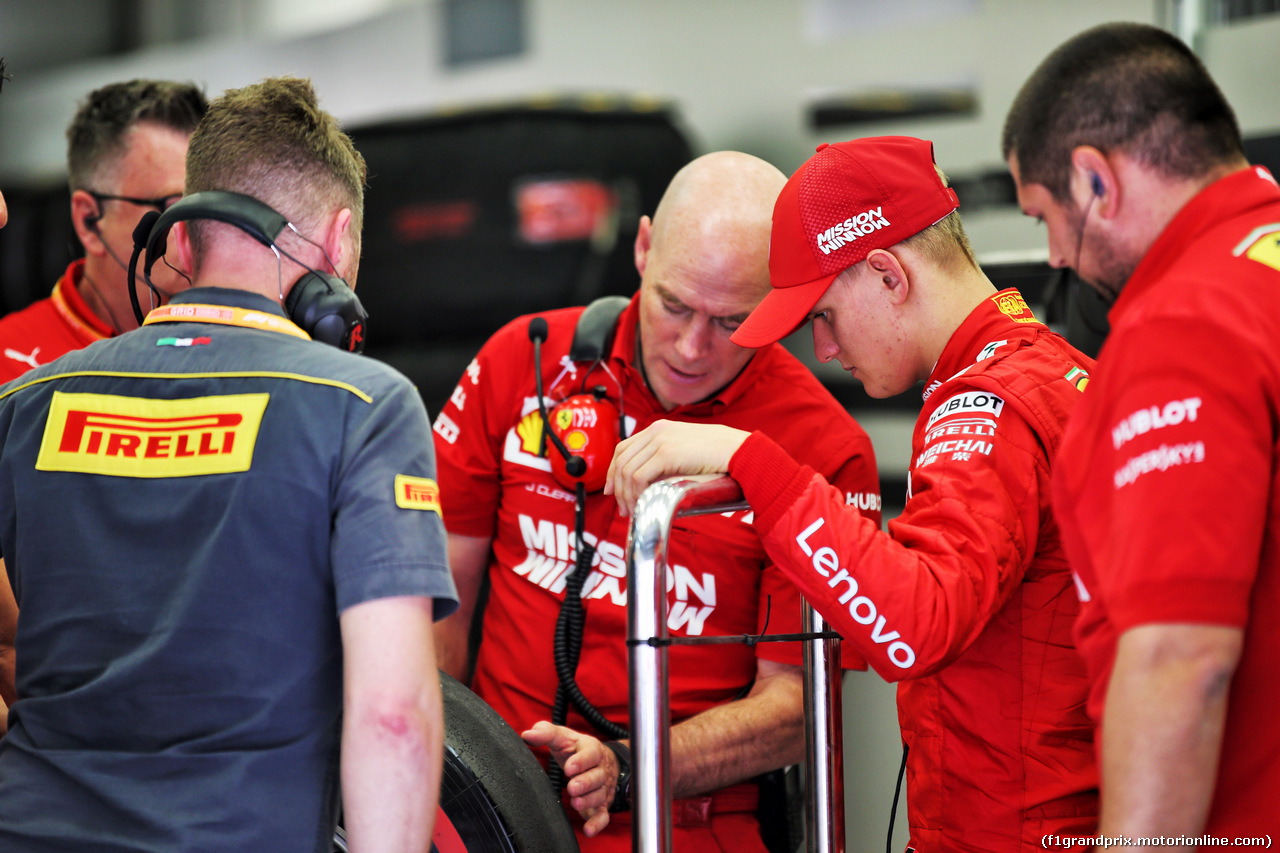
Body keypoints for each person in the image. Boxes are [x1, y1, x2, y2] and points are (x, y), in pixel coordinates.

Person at [0, 77, 458, 853]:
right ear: (341, 241)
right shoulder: (365, 406)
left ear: (177, 240)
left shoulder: (22, 404)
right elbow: (391, 713)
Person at [607, 136, 1100, 851]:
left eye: (824, 316)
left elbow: (915, 627)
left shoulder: (990, 406)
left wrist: (753, 462)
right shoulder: (1055, 370)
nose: (827, 350)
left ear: (886, 274)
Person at [431, 150, 882, 852]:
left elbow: (797, 709)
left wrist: (630, 765)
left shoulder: (823, 446)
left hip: (688, 822)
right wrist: (440, 779)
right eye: (674, 304)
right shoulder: (519, 362)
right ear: (642, 247)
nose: (694, 346)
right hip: (496, 810)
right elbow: (437, 599)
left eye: (733, 320)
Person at [1002, 23, 1280, 848]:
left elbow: (1177, 658)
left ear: (1095, 179)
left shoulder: (1183, 326)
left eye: (1046, 216)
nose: (1054, 255)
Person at [0, 78, 207, 383]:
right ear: (90, 221)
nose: (202, 234)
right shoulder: (8, 368)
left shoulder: (250, 345)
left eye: (210, 206)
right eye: (173, 207)